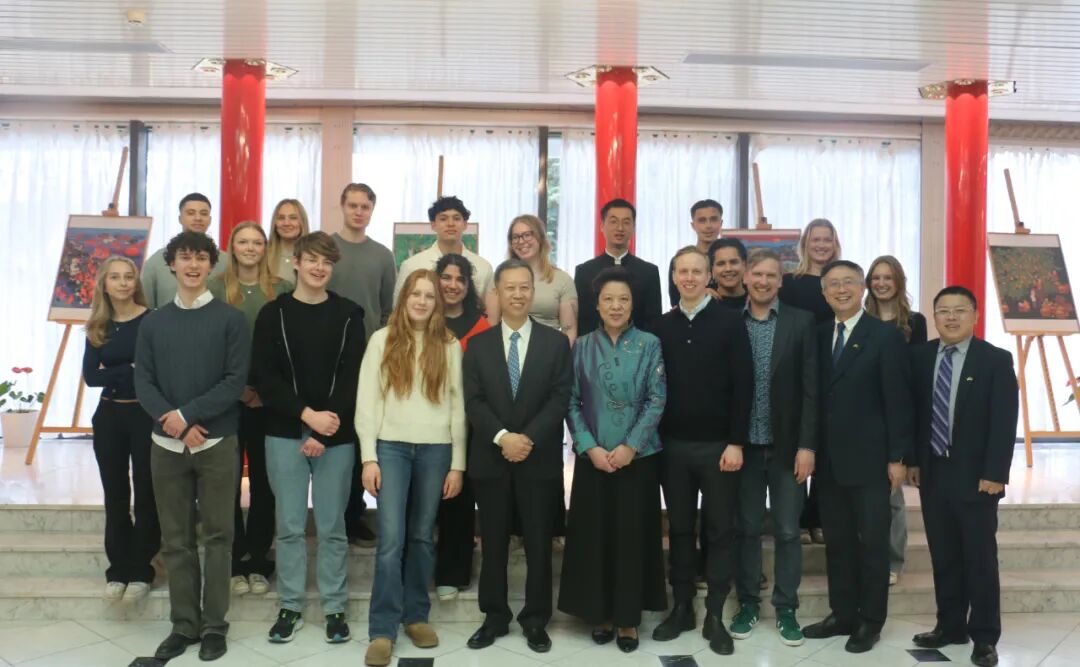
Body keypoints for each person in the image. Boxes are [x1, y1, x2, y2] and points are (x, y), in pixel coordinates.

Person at [134, 231, 249, 662]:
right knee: (176, 539)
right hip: (166, 445)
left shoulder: (231, 320)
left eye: (201, 258)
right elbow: (144, 382)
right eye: (185, 257)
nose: (193, 265)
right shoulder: (153, 322)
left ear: (211, 265)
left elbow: (234, 382)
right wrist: (177, 424)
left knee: (219, 536)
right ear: (172, 264)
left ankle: (215, 625)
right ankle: (184, 624)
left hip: (217, 441)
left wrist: (188, 416)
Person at [802, 260, 913, 654]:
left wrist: (897, 456)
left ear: (862, 288)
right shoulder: (818, 335)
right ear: (824, 292)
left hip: (871, 460)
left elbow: (898, 400)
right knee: (838, 542)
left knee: (872, 544)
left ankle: (871, 620)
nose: (841, 290)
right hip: (829, 462)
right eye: (833, 284)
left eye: (848, 282)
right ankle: (843, 614)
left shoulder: (884, 336)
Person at [463, 259, 573, 655]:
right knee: (493, 543)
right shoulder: (478, 345)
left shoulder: (555, 343)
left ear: (533, 291)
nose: (517, 294)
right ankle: (494, 617)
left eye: (524, 287)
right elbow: (473, 400)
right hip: (491, 458)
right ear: (497, 292)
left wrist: (526, 438)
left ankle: (536, 619)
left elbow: (560, 397)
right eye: (509, 287)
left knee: (539, 543)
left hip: (538, 458)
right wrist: (503, 437)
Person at [356, 268, 466, 667]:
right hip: (392, 448)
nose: (421, 301)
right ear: (403, 299)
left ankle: (416, 616)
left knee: (421, 536)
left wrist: (457, 464)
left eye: (429, 296)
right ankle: (382, 629)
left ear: (438, 304)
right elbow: (368, 401)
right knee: (391, 540)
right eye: (415, 294)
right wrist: (369, 457)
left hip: (436, 450)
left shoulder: (448, 345)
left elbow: (457, 406)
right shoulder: (381, 340)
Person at [558, 267, 667, 653]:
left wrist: (630, 447)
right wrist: (589, 447)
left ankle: (627, 618)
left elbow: (657, 398)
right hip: (594, 459)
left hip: (638, 458)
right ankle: (599, 613)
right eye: (609, 299)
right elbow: (571, 401)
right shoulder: (582, 346)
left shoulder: (650, 344)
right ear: (597, 305)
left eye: (623, 299)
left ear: (633, 304)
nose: (616, 306)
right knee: (595, 537)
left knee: (631, 538)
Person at [908, 286, 1018, 667]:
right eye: (943, 311)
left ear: (974, 315)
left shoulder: (995, 360)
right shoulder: (920, 357)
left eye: (959, 310)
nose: (951, 317)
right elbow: (916, 416)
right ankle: (950, 625)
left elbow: (1004, 421)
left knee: (979, 558)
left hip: (977, 477)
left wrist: (995, 473)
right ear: (934, 316)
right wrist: (913, 461)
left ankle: (984, 636)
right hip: (934, 471)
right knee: (944, 554)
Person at [651, 246, 753, 656]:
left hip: (719, 448)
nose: (690, 278)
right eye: (683, 271)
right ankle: (682, 608)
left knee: (719, 530)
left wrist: (736, 442)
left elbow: (744, 386)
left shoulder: (730, 322)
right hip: (672, 447)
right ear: (674, 277)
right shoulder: (660, 327)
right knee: (678, 529)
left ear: (708, 275)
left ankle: (715, 615)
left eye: (697, 271)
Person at [728, 249, 818, 647]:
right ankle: (747, 604)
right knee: (746, 528)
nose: (763, 281)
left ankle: (786, 608)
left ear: (781, 281)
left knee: (787, 530)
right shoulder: (731, 322)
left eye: (771, 275)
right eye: (757, 274)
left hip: (787, 448)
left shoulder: (802, 322)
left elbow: (811, 389)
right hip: (743, 447)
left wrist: (807, 446)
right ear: (746, 278)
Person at [208, 222, 292, 598]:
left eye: (257, 242)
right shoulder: (214, 288)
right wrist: (237, 389)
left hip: (268, 402)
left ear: (265, 248)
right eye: (242, 241)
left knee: (264, 483)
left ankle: (258, 558)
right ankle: (235, 557)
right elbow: (209, 346)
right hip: (225, 402)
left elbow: (284, 349)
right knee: (226, 483)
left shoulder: (282, 289)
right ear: (231, 246)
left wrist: (262, 392)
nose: (250, 247)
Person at [82, 255, 159, 603]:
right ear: (105, 284)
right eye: (115, 277)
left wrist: (118, 372)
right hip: (109, 416)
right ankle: (118, 569)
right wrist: (128, 370)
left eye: (129, 276)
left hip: (145, 415)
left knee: (146, 492)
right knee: (115, 494)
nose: (123, 282)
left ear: (135, 282)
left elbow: (156, 371)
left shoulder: (152, 320)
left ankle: (141, 569)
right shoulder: (98, 325)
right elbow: (91, 376)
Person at [327, 183, 396, 548]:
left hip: (368, 358)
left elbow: (387, 310)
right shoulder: (325, 248)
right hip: (325, 357)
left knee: (359, 438)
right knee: (329, 436)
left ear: (372, 210)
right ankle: (330, 514)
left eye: (364, 206)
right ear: (342, 206)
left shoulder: (382, 256)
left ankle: (354, 515)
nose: (358, 212)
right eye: (352, 205)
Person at [864, 255, 927, 586]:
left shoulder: (915, 322)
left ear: (899, 281)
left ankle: (893, 560)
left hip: (900, 412)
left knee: (893, 497)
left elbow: (917, 371)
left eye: (887, 277)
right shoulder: (861, 319)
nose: (881, 283)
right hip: (866, 416)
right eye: (876, 277)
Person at [778, 218, 841, 545]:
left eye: (826, 239)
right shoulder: (791, 283)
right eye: (815, 239)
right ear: (805, 244)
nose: (821, 245)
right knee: (799, 444)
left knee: (826, 447)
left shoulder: (840, 281)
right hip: (797, 369)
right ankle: (799, 518)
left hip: (833, 369)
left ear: (834, 243)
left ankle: (819, 517)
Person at [433, 253, 491, 602]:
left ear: (468, 286)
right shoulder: (420, 317)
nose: (452, 285)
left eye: (460, 279)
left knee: (458, 499)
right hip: (424, 424)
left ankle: (453, 572)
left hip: (468, 426)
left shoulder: (481, 326)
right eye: (446, 277)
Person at [395, 195, 497, 319]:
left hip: (470, 330)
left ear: (465, 224)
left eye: (456, 218)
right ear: (433, 225)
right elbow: (398, 309)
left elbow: (488, 313)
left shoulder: (483, 268)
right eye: (443, 219)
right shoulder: (412, 266)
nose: (450, 224)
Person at [574, 198, 662, 335]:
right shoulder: (584, 271)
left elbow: (653, 322)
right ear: (602, 226)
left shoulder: (649, 272)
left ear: (633, 227)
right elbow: (582, 321)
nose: (620, 228)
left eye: (626, 222)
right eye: (613, 221)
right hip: (595, 346)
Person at [506, 214, 577, 345]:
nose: (521, 241)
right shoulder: (501, 278)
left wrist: (562, 355)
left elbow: (569, 330)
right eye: (515, 237)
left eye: (527, 235)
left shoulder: (562, 280)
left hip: (549, 349)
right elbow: (492, 323)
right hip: (510, 349)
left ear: (540, 238)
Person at [141, 193, 214, 309]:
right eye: (191, 213)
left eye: (204, 214)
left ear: (210, 220)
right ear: (180, 219)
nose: (198, 218)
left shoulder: (225, 261)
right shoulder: (156, 261)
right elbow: (145, 307)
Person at [667, 199, 724, 308]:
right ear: (693, 225)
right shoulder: (680, 260)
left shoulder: (731, 261)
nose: (708, 226)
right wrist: (698, 293)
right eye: (702, 220)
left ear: (721, 223)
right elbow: (675, 303)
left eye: (713, 219)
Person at [266, 198, 310, 282]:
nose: (286, 223)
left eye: (293, 218)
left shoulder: (314, 256)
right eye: (281, 218)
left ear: (302, 222)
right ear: (275, 223)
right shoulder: (263, 255)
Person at [707, 237, 749, 309]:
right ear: (712, 270)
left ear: (744, 265)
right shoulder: (703, 299)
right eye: (721, 264)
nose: (728, 269)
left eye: (733, 262)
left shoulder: (756, 297)